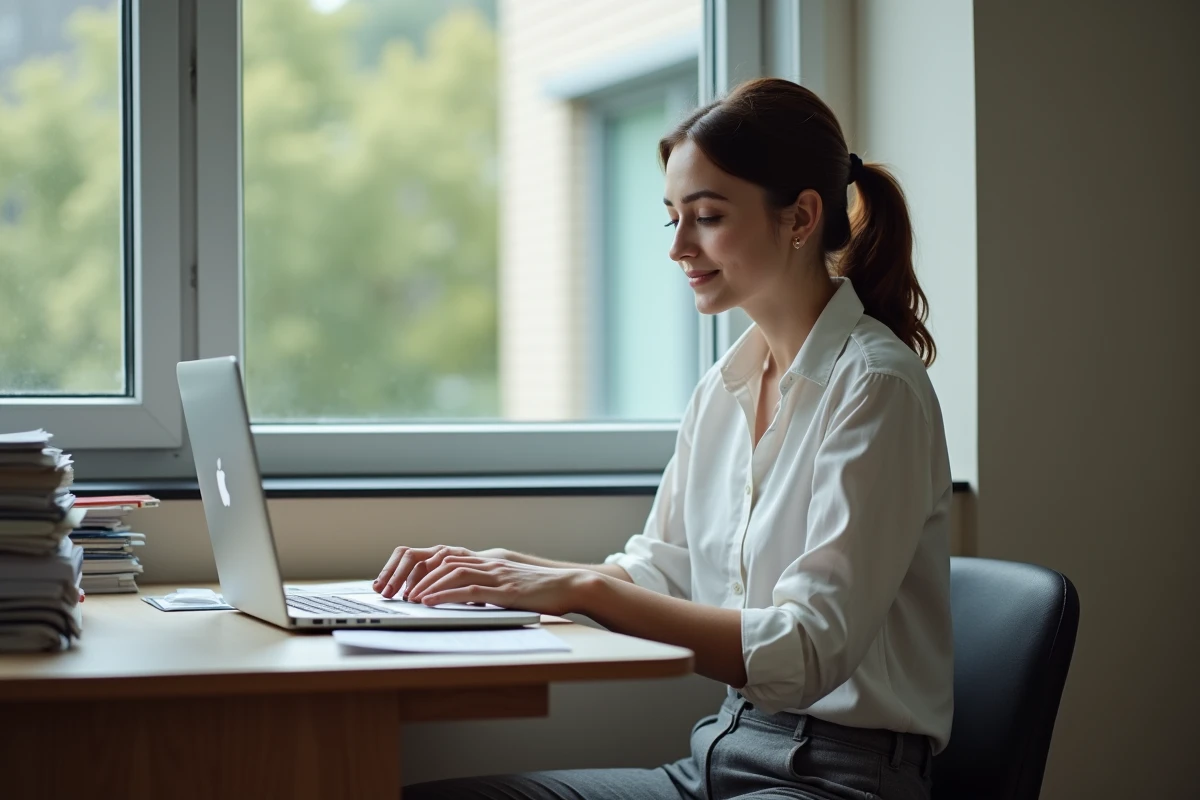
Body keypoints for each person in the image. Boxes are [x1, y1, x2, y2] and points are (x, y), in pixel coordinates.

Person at [380, 77, 953, 800]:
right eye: (672, 218)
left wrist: (580, 587)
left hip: (837, 780)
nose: (679, 246)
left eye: (707, 217)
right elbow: (661, 573)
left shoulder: (876, 387)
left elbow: (807, 653)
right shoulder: (724, 387)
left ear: (802, 216)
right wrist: (508, 571)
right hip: (722, 753)